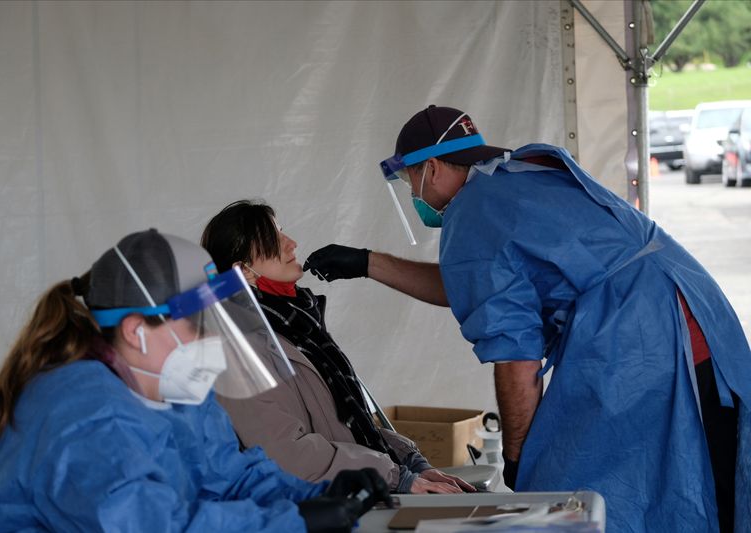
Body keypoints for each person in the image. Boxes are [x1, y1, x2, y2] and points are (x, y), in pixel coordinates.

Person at [303, 105, 751, 532]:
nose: (413, 193)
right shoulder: (512, 178)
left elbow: (516, 356)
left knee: (589, 481)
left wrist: (518, 456)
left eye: (410, 178)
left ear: (433, 169)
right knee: (713, 473)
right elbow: (472, 284)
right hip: (691, 310)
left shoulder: (473, 210)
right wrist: (367, 263)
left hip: (649, 339)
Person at [0, 228, 390, 532]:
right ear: (136, 332)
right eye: (195, 322)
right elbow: (146, 526)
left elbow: (228, 478)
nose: (212, 339)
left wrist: (314, 494)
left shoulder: (174, 390)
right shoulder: (83, 412)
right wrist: (293, 522)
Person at [200, 201, 476, 495]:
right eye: (274, 239)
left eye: (283, 232)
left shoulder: (300, 329)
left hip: (349, 496)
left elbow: (342, 427)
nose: (292, 244)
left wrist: (411, 462)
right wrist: (397, 477)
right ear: (244, 271)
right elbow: (287, 455)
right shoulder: (237, 349)